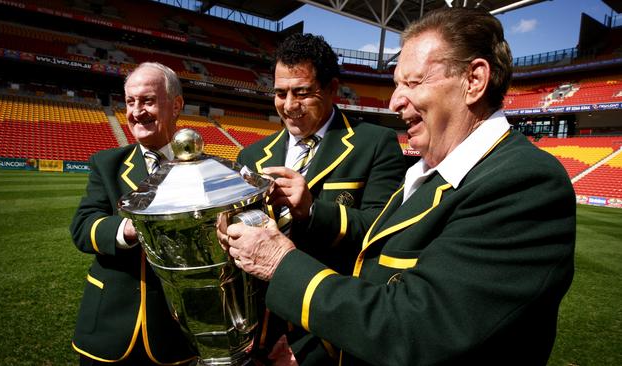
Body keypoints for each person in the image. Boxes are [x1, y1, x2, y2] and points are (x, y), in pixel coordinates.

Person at [222, 8, 576, 366]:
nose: (394, 102)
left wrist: (279, 262)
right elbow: (372, 282)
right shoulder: (427, 174)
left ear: (474, 80)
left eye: (413, 82)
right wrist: (315, 352)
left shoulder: (523, 183)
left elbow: (416, 328)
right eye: (396, 84)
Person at [235, 33, 408, 363]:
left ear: (332, 89)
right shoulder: (251, 155)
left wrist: (312, 211)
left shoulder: (375, 143)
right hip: (256, 331)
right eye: (280, 93)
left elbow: (383, 234)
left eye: (302, 93)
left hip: (324, 333)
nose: (288, 105)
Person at [69, 62, 196, 365]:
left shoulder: (201, 169)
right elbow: (82, 228)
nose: (137, 111)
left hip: (177, 333)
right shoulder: (106, 163)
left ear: (176, 105)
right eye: (130, 101)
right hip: (109, 328)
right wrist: (128, 229)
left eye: (148, 101)